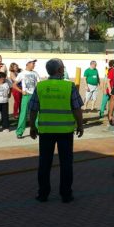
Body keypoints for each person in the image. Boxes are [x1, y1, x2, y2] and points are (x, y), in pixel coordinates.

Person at [29, 58, 84, 203]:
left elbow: (33, 109)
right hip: (65, 131)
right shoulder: (69, 86)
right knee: (66, 163)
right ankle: (66, 194)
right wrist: (80, 125)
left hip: (46, 131)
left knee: (44, 163)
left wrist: (32, 127)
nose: (64, 69)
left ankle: (43, 194)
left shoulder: (40, 86)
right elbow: (77, 109)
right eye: (63, 67)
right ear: (59, 70)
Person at [15, 59, 40, 138]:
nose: (34, 65)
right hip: (26, 95)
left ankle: (37, 129)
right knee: (23, 114)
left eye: (34, 63)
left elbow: (39, 84)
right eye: (32, 63)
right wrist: (21, 91)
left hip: (35, 95)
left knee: (36, 113)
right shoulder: (22, 73)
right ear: (27, 64)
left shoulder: (35, 73)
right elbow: (14, 85)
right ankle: (19, 132)